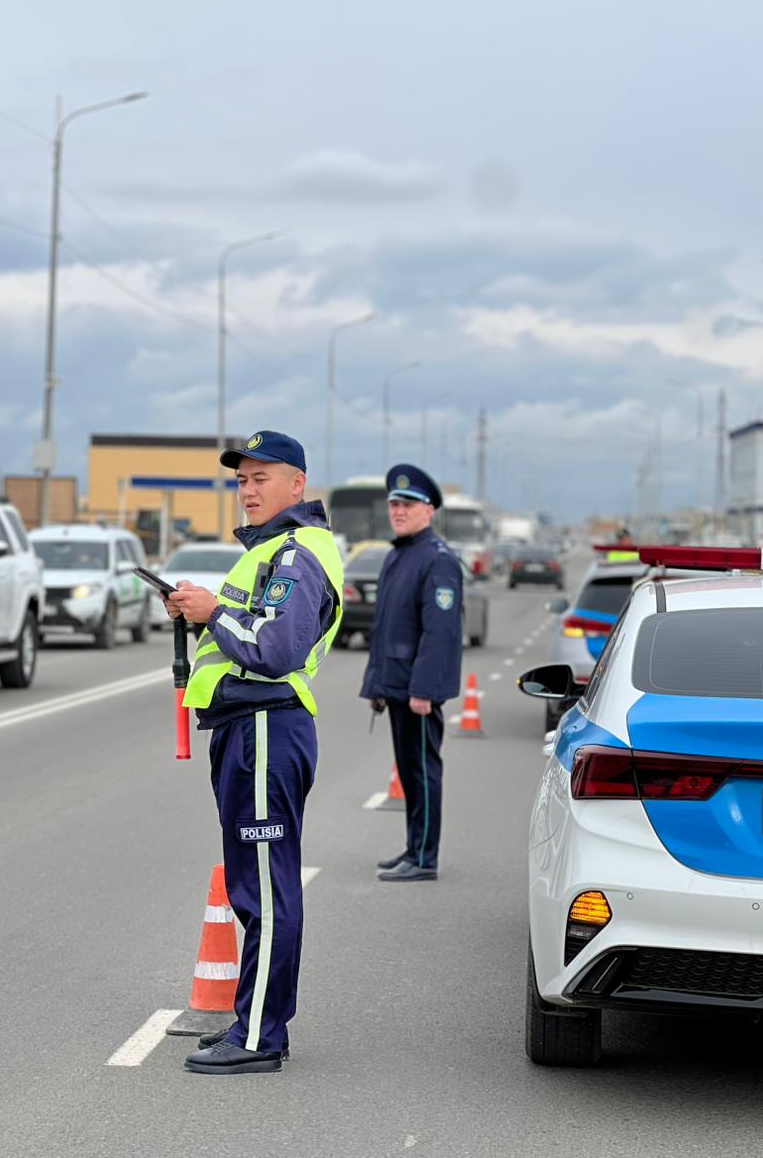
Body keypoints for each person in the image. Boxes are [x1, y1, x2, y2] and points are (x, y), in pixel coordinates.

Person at [165, 430, 343, 1075]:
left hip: (268, 728)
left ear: (298, 483)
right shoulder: (273, 550)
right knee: (253, 886)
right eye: (242, 479)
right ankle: (253, 1023)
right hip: (250, 730)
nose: (248, 489)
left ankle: (260, 1036)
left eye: (262, 477)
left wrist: (211, 611)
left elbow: (274, 651)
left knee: (264, 890)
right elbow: (251, 627)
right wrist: (203, 610)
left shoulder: (298, 554)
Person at [360, 464, 463, 882]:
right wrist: (376, 685)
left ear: (429, 510)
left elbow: (440, 635)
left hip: (417, 692)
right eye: (394, 504)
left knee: (422, 772)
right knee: (408, 771)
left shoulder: (438, 561)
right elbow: (385, 628)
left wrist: (423, 690)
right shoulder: (397, 556)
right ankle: (412, 848)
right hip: (397, 686)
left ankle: (424, 858)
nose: (399, 511)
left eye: (408, 504)